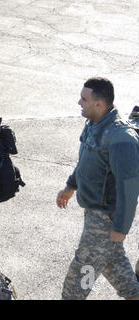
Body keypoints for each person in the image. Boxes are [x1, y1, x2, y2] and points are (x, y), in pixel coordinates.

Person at [56, 77, 139, 300]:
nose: (79, 102)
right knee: (116, 266)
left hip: (104, 219)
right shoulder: (94, 124)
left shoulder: (121, 138)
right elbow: (86, 162)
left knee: (80, 276)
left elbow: (129, 190)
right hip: (93, 213)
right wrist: (70, 185)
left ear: (99, 104)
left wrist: (121, 227)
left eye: (84, 99)